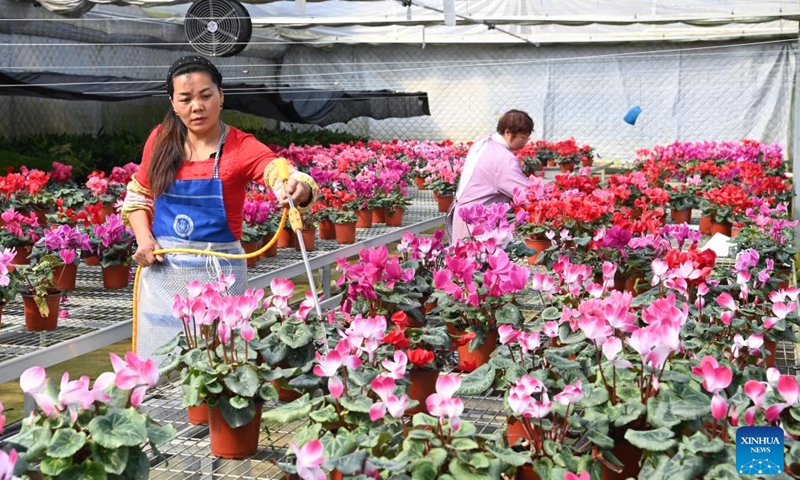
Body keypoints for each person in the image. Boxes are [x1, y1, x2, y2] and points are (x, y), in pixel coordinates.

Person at [121, 55, 317, 363]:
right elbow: (139, 195)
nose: (196, 106)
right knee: (159, 364)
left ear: (221, 97)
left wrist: (294, 186)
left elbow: (275, 170)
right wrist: (144, 240)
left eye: (205, 96)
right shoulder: (160, 140)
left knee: (221, 362)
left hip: (219, 275)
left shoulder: (239, 145)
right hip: (164, 274)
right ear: (173, 103)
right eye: (185, 99)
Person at [446, 109, 534, 243]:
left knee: (462, 260)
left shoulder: (484, 141)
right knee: (477, 261)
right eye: (523, 137)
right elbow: (527, 195)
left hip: (462, 214)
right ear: (508, 133)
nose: (526, 141)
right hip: (477, 225)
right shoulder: (503, 159)